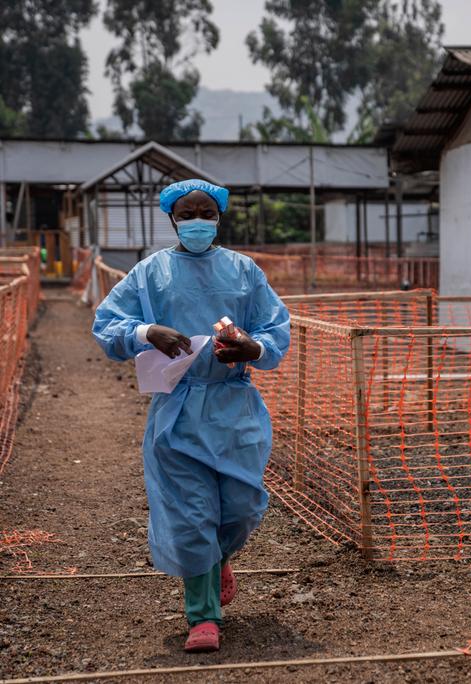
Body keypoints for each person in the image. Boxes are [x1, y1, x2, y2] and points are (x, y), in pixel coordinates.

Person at [92, 179, 290, 653]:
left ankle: (218, 558)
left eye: (207, 212)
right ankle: (203, 616)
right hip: (177, 411)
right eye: (188, 213)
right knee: (191, 513)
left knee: (241, 505)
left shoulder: (244, 271)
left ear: (219, 218)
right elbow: (107, 324)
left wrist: (252, 347)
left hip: (234, 407)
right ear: (172, 219)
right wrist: (146, 331)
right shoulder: (150, 273)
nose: (197, 220)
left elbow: (274, 328)